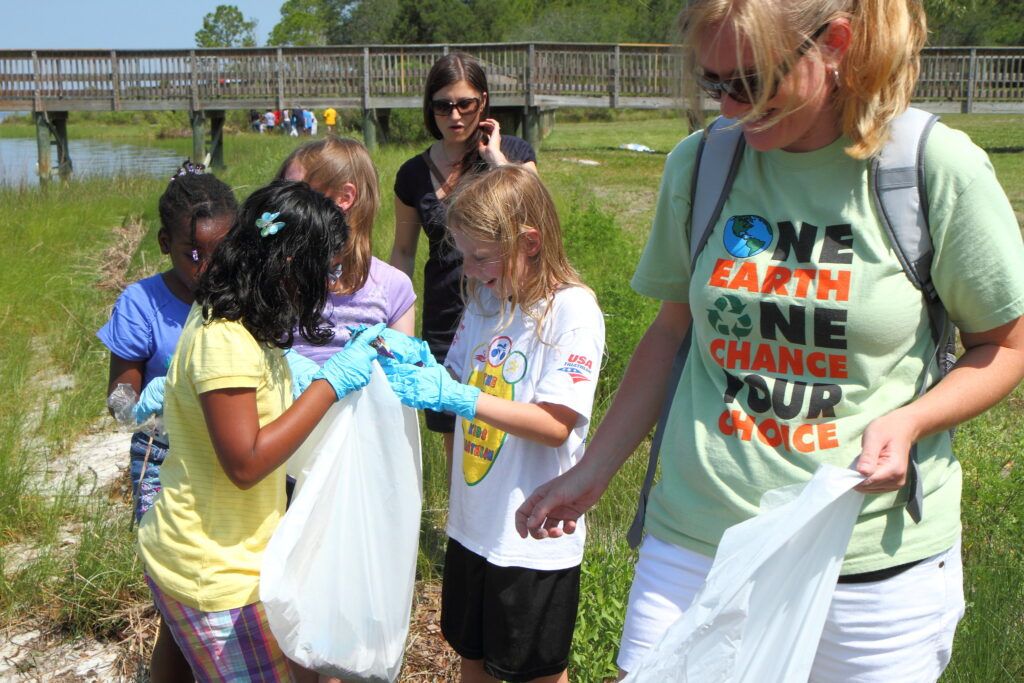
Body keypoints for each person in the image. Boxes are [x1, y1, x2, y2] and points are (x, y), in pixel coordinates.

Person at [515, 1, 1024, 681]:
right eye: (712, 81)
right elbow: (671, 334)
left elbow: (1005, 345)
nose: (728, 108)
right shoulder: (701, 167)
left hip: (868, 563)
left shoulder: (930, 168)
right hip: (698, 547)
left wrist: (912, 420)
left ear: (836, 44)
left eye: (750, 83)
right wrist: (594, 469)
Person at [136, 179, 390, 682]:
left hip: (234, 551)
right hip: (215, 570)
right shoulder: (225, 338)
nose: (331, 282)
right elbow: (247, 463)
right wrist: (332, 383)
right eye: (326, 268)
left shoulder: (245, 320)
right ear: (291, 265)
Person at [384, 165, 605, 683]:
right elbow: (456, 375)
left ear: (529, 242)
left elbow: (555, 423)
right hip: (473, 524)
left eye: (482, 257)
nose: (470, 269)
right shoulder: (485, 301)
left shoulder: (572, 312)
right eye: (464, 255)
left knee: (536, 670)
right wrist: (415, 363)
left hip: (532, 532)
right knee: (473, 653)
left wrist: (460, 398)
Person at [97, 162, 236, 683]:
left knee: (224, 590)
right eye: (191, 254)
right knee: (180, 598)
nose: (206, 268)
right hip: (164, 456)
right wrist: (138, 402)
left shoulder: (241, 296)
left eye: (219, 254)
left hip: (233, 453)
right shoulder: (142, 303)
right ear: (164, 242)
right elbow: (118, 394)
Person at [391, 51, 538, 468]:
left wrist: (496, 163)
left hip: (505, 312)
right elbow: (403, 250)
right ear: (430, 108)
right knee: (454, 435)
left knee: (504, 428)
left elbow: (535, 215)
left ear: (483, 103)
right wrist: (393, 315)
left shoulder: (512, 152)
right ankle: (459, 523)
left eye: (465, 104)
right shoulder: (412, 174)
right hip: (445, 317)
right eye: (442, 105)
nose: (454, 115)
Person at [278, 136, 416, 364]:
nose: (283, 203)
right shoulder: (276, 276)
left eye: (296, 192)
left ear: (345, 197)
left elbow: (404, 374)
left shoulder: (392, 287)